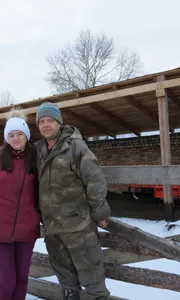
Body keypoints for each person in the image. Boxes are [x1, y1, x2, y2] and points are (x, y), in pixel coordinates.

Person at [35, 102, 112, 300]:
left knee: (92, 277)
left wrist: (100, 213)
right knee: (66, 279)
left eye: (50, 120)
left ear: (59, 123)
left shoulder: (76, 146)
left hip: (78, 227)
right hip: (53, 228)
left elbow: (94, 179)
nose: (45, 125)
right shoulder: (39, 150)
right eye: (41, 121)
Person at [0, 108, 41, 300]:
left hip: (27, 228)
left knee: (22, 279)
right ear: (6, 137)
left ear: (26, 135)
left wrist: (37, 214)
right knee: (8, 281)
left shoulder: (35, 160)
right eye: (11, 134)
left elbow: (42, 191)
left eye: (19, 134)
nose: (16, 138)